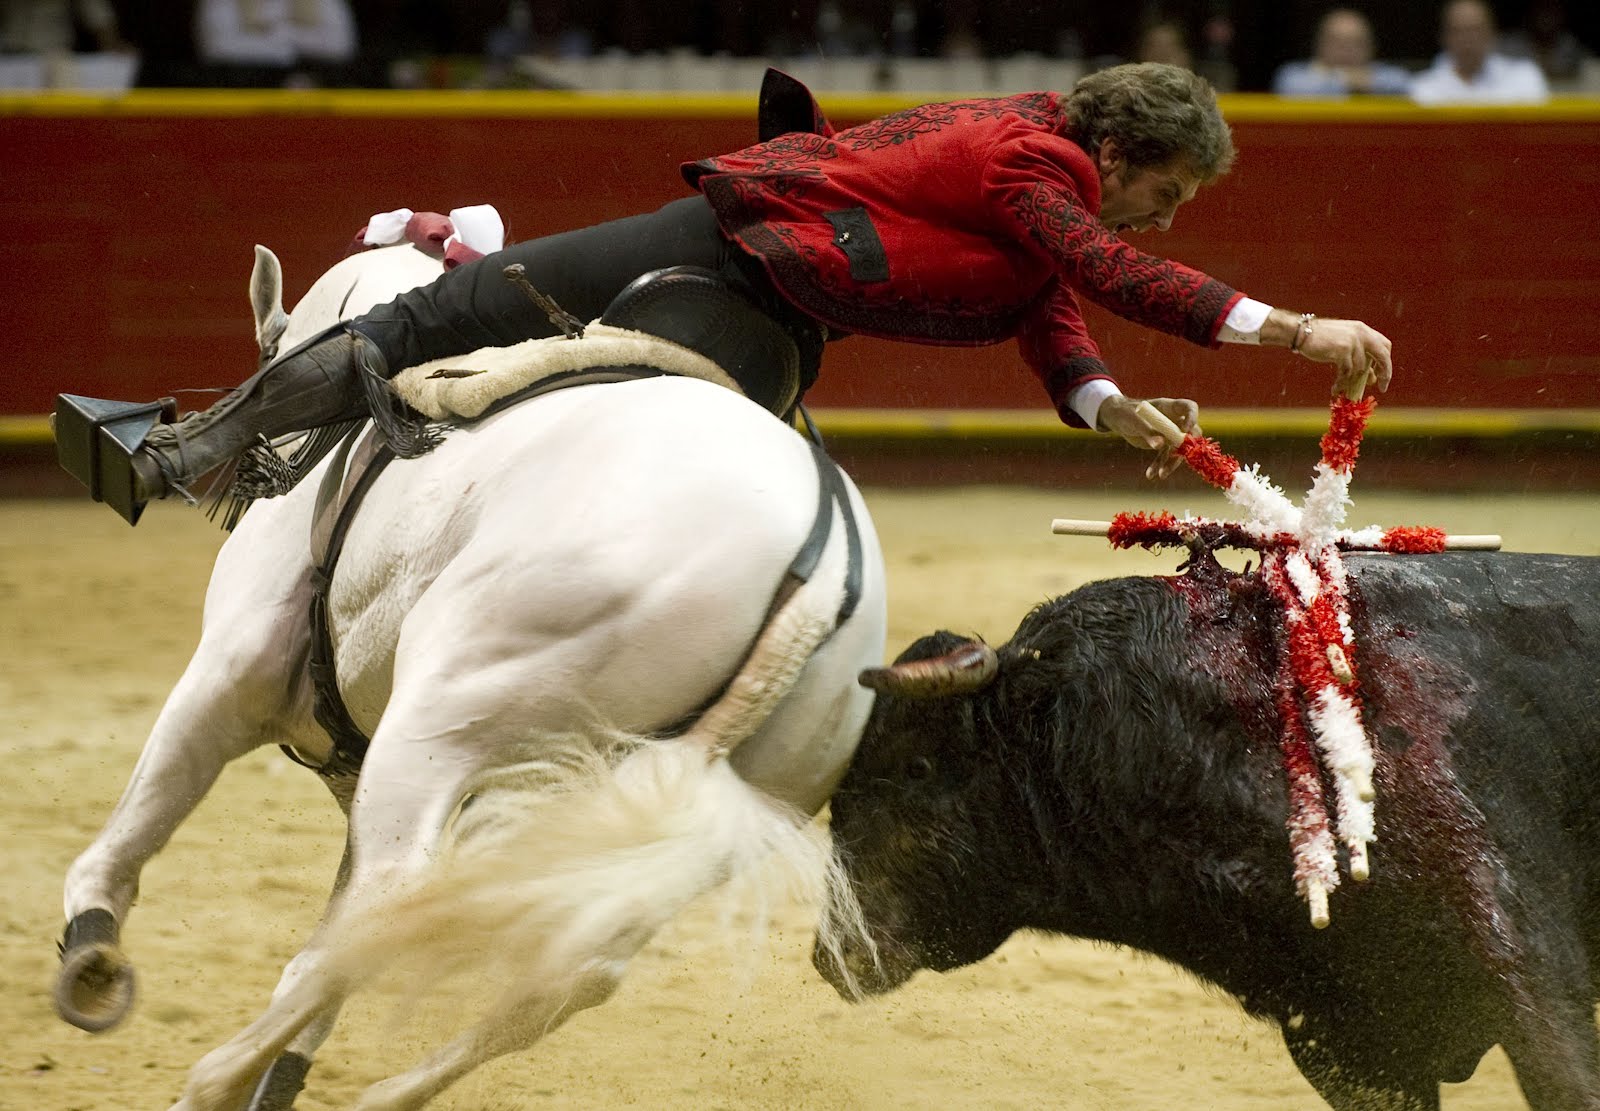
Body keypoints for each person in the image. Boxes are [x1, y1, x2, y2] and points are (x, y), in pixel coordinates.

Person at [56, 62, 1393, 525]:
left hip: (728, 272)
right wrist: (1294, 329)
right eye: (1172, 192)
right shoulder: (1033, 157)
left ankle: (172, 458)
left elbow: (1066, 305)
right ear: (1127, 153)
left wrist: (1103, 409)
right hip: (749, 304)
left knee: (417, 321)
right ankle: (195, 458)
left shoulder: (1034, 165)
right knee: (437, 338)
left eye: (1177, 212)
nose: (1163, 218)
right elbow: (1107, 269)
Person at [1410, 0, 1550, 104]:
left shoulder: (1524, 78)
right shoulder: (1422, 90)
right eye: (1459, 31)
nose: (1468, 39)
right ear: (1444, 37)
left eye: (1475, 30)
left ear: (1492, 33)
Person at [1272, 8, 1412, 97]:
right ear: (1319, 44)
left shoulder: (1385, 74)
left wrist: (1368, 82)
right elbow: (1291, 87)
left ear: (1371, 47)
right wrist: (1346, 80)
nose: (1346, 50)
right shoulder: (1294, 74)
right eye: (1337, 42)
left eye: (1356, 42)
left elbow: (1403, 84)